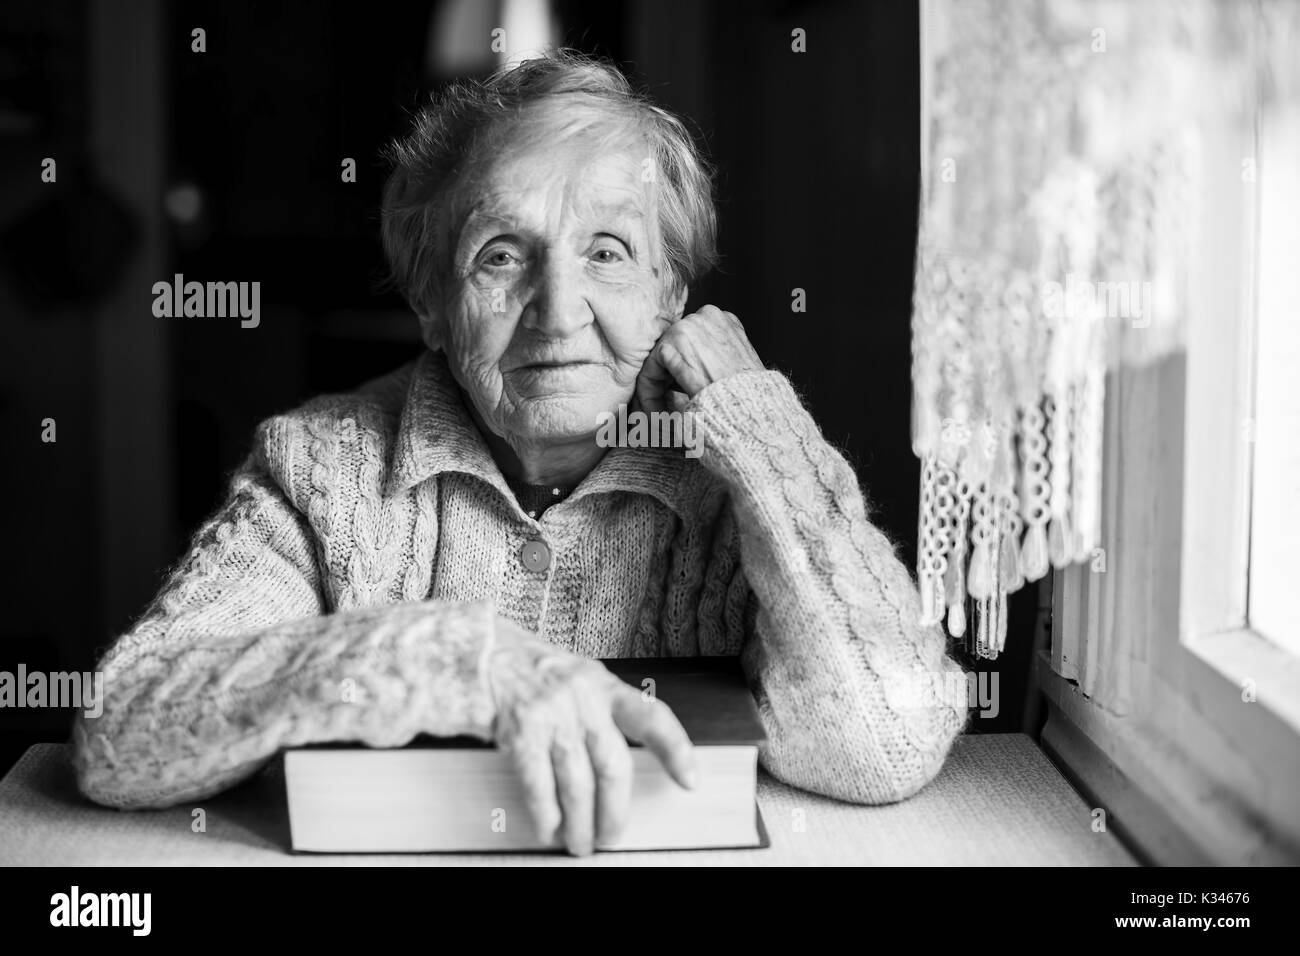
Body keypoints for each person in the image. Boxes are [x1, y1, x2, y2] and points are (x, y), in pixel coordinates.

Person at [73, 50, 969, 856]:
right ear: (432, 301)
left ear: (670, 294)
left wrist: (758, 425)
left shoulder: (736, 476)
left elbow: (883, 741)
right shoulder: (323, 470)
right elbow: (121, 732)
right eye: (502, 256)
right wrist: (462, 660)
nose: (557, 309)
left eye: (609, 252)